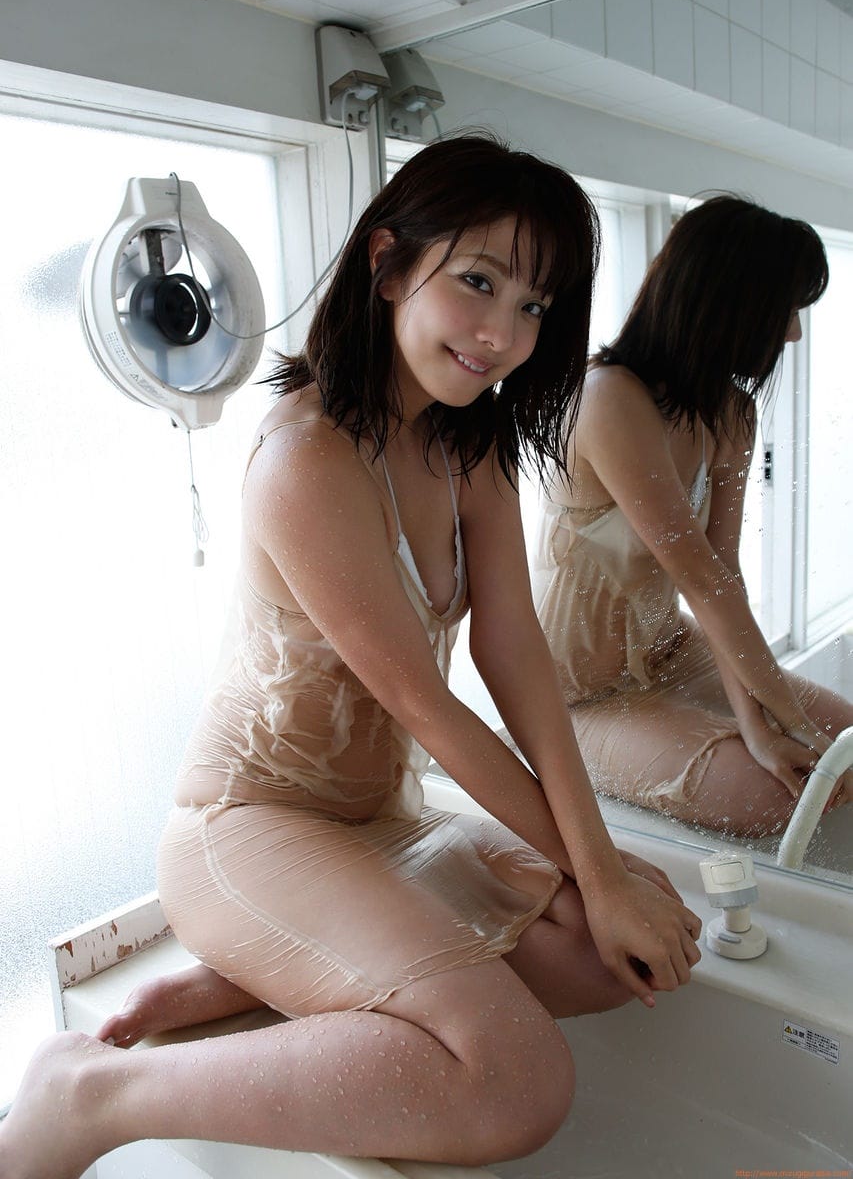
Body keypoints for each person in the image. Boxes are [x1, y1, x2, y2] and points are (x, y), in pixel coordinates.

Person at [1, 135, 700, 1179]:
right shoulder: (306, 457)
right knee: (516, 1081)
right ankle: (92, 1093)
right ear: (387, 262)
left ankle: (264, 975)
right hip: (250, 829)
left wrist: (602, 871)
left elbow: (513, 653)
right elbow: (425, 705)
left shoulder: (466, 443)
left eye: (534, 305)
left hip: (380, 822)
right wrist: (592, 871)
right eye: (478, 282)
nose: (503, 334)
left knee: (620, 947)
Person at [531, 195, 853, 839]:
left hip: (670, 650)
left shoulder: (731, 411)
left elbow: (721, 573)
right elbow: (699, 577)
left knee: (844, 742)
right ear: (730, 302)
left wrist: (761, 724)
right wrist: (787, 724)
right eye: (786, 310)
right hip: (571, 694)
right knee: (781, 796)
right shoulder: (608, 397)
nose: (793, 333)